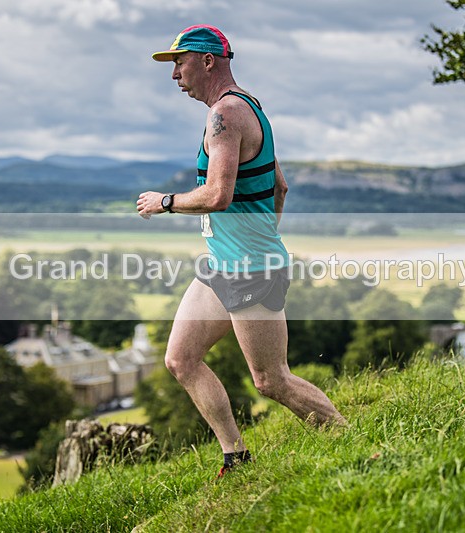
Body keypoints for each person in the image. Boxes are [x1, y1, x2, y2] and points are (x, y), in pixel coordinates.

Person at [138, 24, 346, 477]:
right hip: (222, 265)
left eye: (179, 61)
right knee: (180, 358)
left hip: (250, 268)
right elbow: (280, 185)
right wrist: (258, 233)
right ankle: (236, 454)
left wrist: (165, 202)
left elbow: (218, 195)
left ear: (208, 60)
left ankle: (349, 440)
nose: (174, 74)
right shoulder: (244, 107)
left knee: (272, 380)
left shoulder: (226, 115)